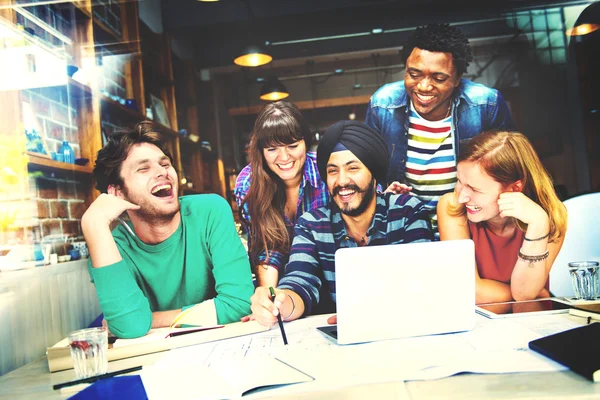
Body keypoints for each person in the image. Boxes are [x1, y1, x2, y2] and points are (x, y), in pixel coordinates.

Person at [249, 120, 432, 327]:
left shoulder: (406, 212)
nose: (342, 181)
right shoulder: (312, 225)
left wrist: (371, 314)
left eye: (353, 168)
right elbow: (299, 283)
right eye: (333, 171)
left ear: (374, 174)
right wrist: (280, 304)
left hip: (406, 332)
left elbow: (423, 285)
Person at [82, 122, 254, 338]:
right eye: (144, 168)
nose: (162, 172)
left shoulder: (210, 211)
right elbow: (131, 328)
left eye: (165, 164)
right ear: (118, 193)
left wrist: (151, 319)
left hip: (220, 345)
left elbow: (239, 303)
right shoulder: (109, 247)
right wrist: (93, 224)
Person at [366, 23, 516, 232]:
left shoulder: (486, 104)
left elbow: (510, 172)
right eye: (414, 74)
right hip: (407, 230)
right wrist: (384, 194)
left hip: (471, 228)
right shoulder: (383, 105)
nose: (424, 86)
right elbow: (369, 172)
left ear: (457, 80)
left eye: (439, 78)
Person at [437, 131, 567, 304]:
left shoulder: (550, 215)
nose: (462, 197)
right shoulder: (452, 207)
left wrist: (538, 224)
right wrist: (528, 297)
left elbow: (524, 294)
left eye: (475, 189)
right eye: (460, 181)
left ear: (514, 189)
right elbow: (468, 292)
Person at [235, 101, 329, 287]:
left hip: (330, 275)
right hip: (280, 283)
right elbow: (264, 248)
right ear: (261, 152)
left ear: (306, 143)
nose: (284, 157)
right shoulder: (248, 183)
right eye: (272, 149)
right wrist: (269, 296)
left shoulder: (327, 169)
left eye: (292, 146)